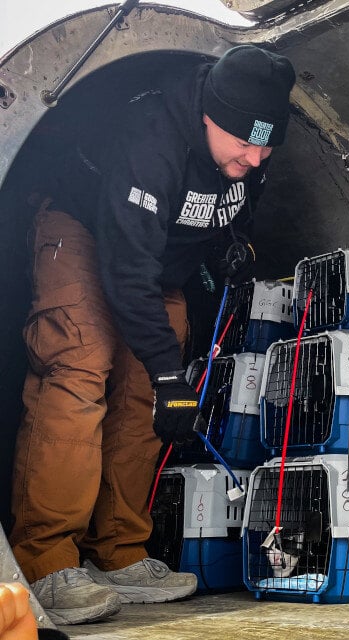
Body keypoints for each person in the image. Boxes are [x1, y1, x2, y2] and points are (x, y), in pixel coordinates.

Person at [9, 45, 296, 625]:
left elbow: (220, 211)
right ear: (208, 117)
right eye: (245, 141)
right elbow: (125, 269)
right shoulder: (151, 141)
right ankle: (46, 558)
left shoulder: (248, 158)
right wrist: (168, 367)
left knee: (151, 397)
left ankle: (117, 552)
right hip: (89, 235)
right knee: (80, 367)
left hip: (161, 263)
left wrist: (230, 246)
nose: (257, 156)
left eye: (268, 144)